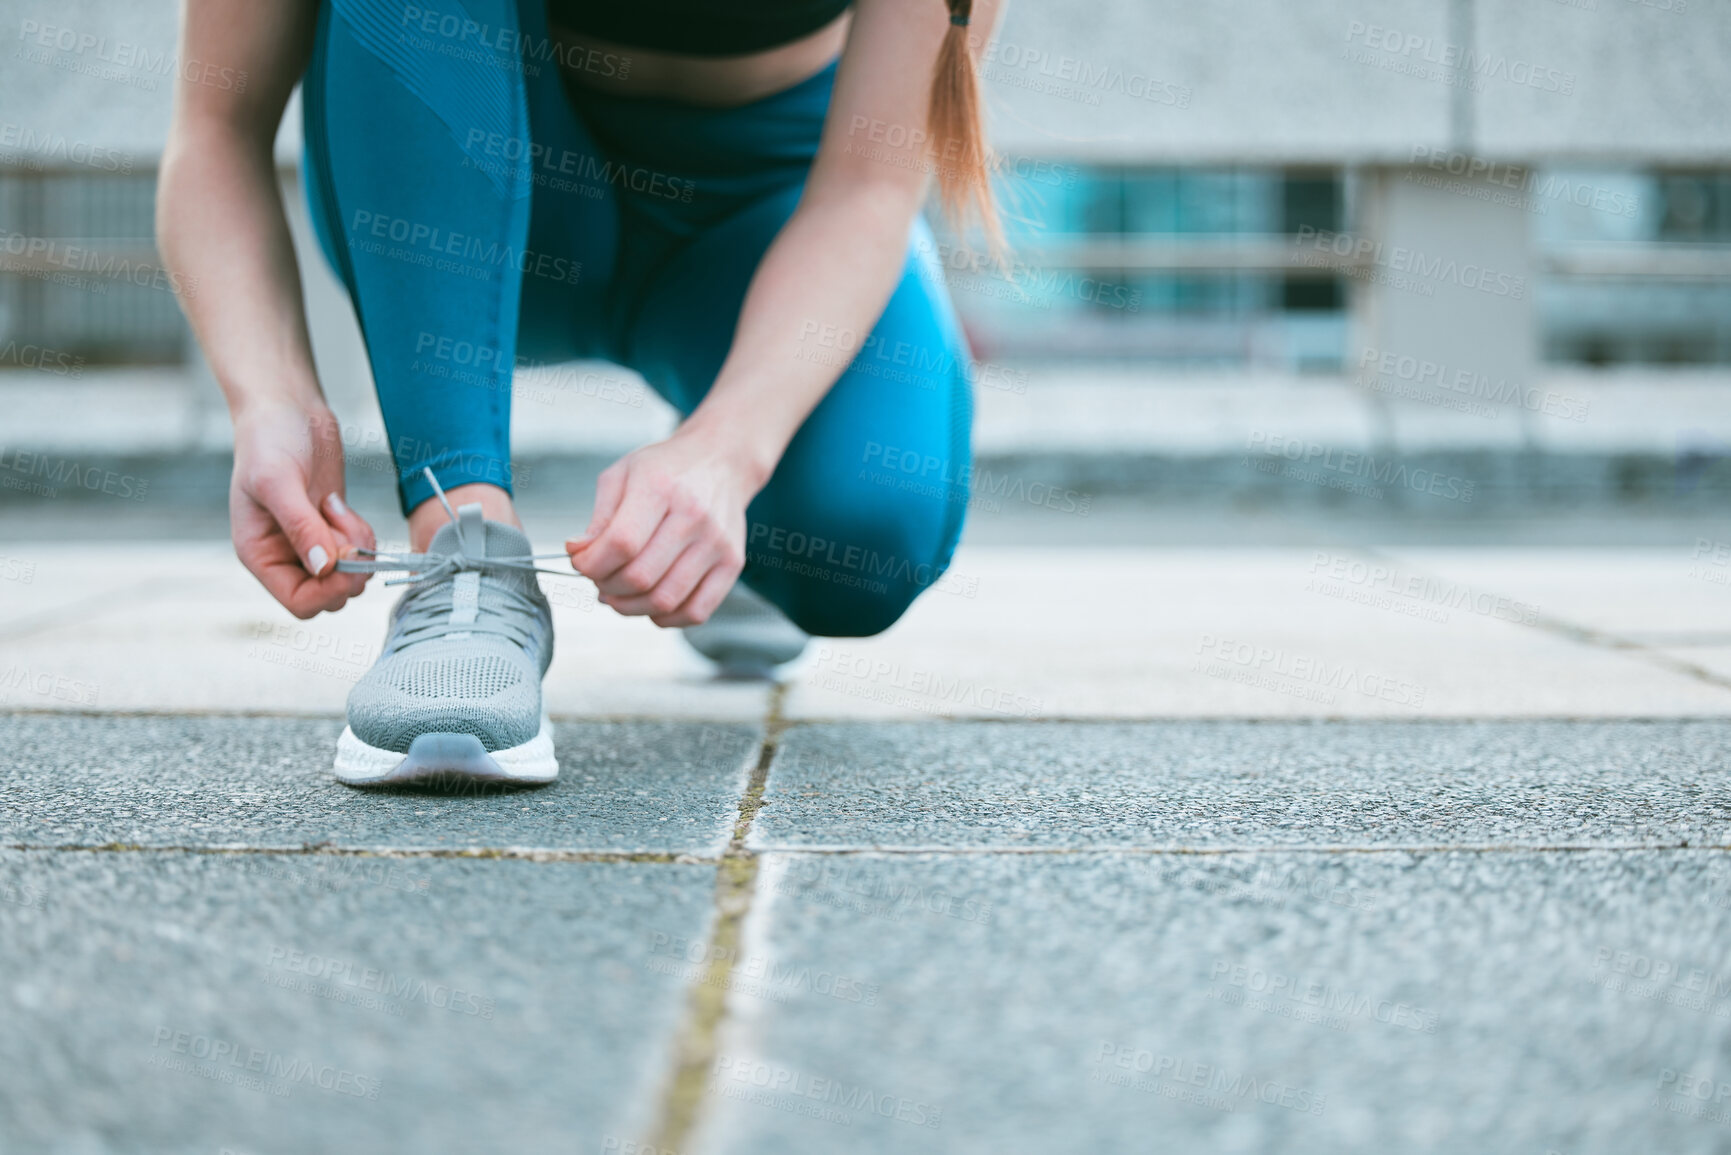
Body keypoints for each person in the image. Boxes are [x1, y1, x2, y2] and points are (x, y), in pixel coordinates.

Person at [157, 0, 1001, 786]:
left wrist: (729, 452)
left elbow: (870, 189)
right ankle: (466, 556)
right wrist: (267, 397)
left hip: (764, 213)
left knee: (866, 537)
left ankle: (729, 521)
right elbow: (215, 134)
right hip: (469, 174)